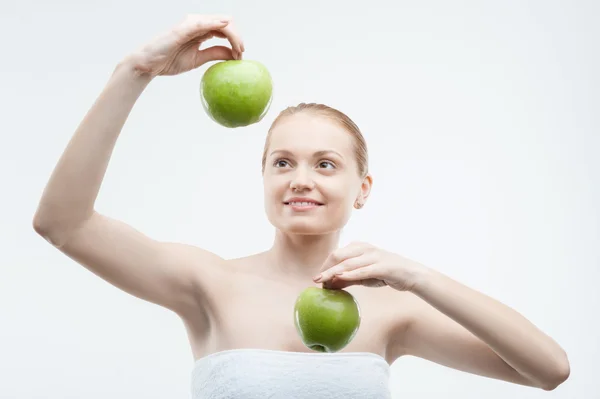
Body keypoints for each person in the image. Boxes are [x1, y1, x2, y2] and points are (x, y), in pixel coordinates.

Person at [32, 14, 570, 398]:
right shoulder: (208, 284)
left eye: (326, 164)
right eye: (283, 163)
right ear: (263, 178)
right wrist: (136, 71)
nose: (300, 180)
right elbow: (62, 223)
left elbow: (548, 370)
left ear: (363, 188)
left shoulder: (395, 311)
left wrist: (417, 277)